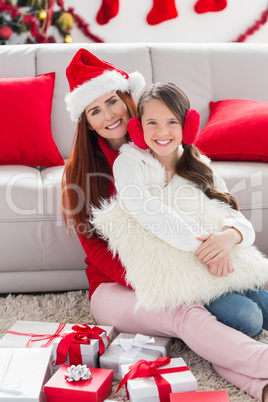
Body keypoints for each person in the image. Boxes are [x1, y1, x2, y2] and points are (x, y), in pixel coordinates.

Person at [62, 48, 268, 402]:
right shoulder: (82, 173)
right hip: (117, 286)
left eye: (112, 102)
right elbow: (93, 247)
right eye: (95, 110)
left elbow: (205, 206)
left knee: (226, 318)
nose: (108, 115)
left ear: (128, 99)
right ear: (87, 120)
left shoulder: (160, 147)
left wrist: (219, 244)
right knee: (186, 314)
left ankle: (259, 386)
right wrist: (159, 280)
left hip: (185, 266)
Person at [91, 81, 268, 326]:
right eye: (152, 123)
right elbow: (147, 210)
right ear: (138, 127)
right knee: (250, 319)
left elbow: (231, 212)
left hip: (222, 260)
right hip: (187, 271)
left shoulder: (198, 163)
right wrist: (208, 251)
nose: (162, 132)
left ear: (187, 126)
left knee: (264, 307)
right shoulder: (129, 162)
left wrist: (230, 236)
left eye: (172, 122)